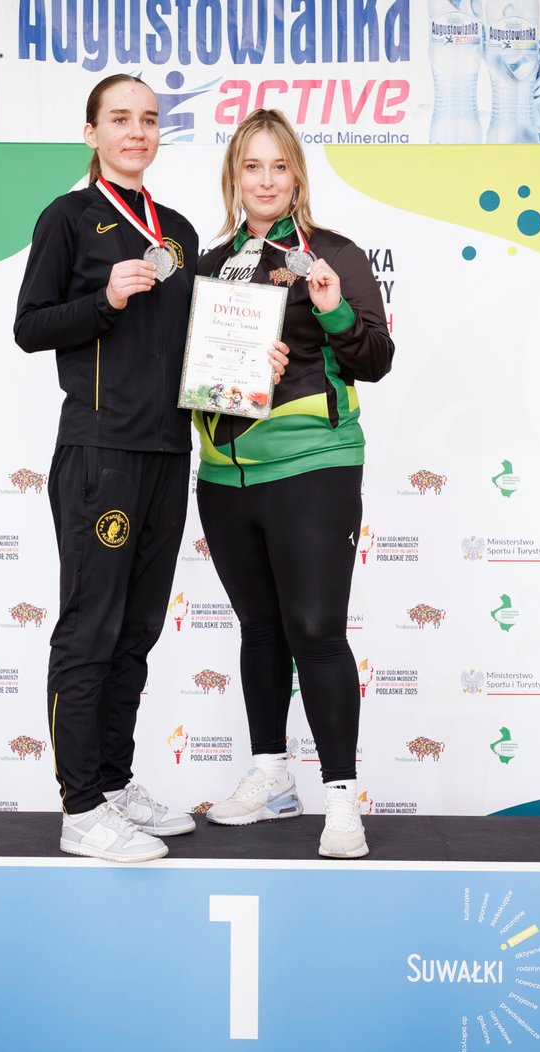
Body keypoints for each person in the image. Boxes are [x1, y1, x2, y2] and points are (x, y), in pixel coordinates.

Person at [15, 74, 227, 862]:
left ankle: (112, 782)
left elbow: (197, 343)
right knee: (91, 629)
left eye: (148, 119)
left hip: (169, 451)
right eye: (120, 119)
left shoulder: (179, 232)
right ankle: (79, 809)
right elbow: (30, 326)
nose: (136, 132)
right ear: (92, 132)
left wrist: (248, 362)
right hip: (100, 451)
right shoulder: (68, 218)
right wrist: (104, 297)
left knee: (136, 631)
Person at [194, 109, 394, 858]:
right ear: (234, 176)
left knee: (315, 628)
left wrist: (332, 308)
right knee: (261, 627)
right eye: (252, 166)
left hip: (314, 461)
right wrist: (233, 369)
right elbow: (192, 373)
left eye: (279, 166)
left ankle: (342, 802)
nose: (266, 180)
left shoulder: (332, 253)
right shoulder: (211, 264)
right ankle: (272, 776)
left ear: (297, 175)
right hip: (224, 473)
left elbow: (375, 358)